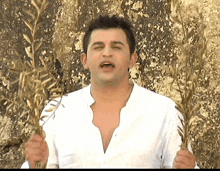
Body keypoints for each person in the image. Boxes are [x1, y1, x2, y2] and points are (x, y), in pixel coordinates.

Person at [22, 14, 197, 168]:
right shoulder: (57, 111)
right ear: (85, 60)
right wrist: (36, 165)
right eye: (98, 47)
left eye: (117, 46)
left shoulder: (164, 112)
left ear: (132, 60)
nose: (107, 53)